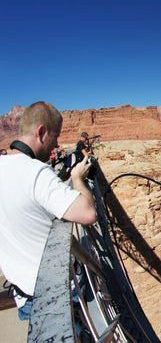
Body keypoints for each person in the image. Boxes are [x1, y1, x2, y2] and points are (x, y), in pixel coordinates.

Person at [0, 101, 96, 320]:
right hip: (56, 295)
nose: (57, 144)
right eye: (56, 136)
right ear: (41, 132)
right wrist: (77, 178)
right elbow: (87, 213)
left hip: (23, 295)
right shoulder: (35, 172)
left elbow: (26, 199)